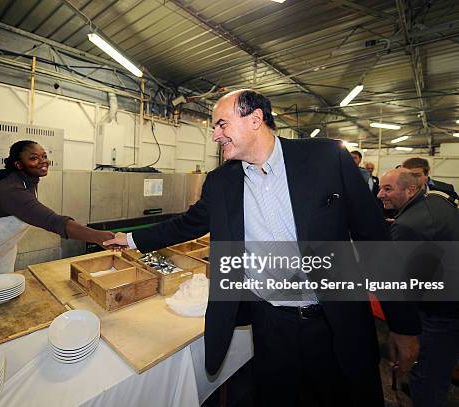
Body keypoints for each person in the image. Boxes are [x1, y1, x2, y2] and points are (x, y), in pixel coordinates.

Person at [104, 89, 420, 406]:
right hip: (271, 327)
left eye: (221, 124)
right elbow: (186, 224)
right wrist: (131, 239)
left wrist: (403, 326)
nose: (215, 135)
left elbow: (375, 241)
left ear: (255, 119)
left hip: (335, 322)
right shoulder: (222, 182)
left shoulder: (326, 159)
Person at [0, 140, 114, 288]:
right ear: (18, 164)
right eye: (34, 158)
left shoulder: (26, 182)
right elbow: (53, 221)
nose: (43, 161)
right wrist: (101, 237)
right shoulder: (12, 191)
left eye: (44, 156)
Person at [377, 168, 459, 407]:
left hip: (439, 312)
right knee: (438, 372)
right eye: (381, 187)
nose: (380, 194)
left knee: (426, 378)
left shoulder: (407, 226)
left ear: (410, 189)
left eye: (388, 189)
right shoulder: (437, 201)